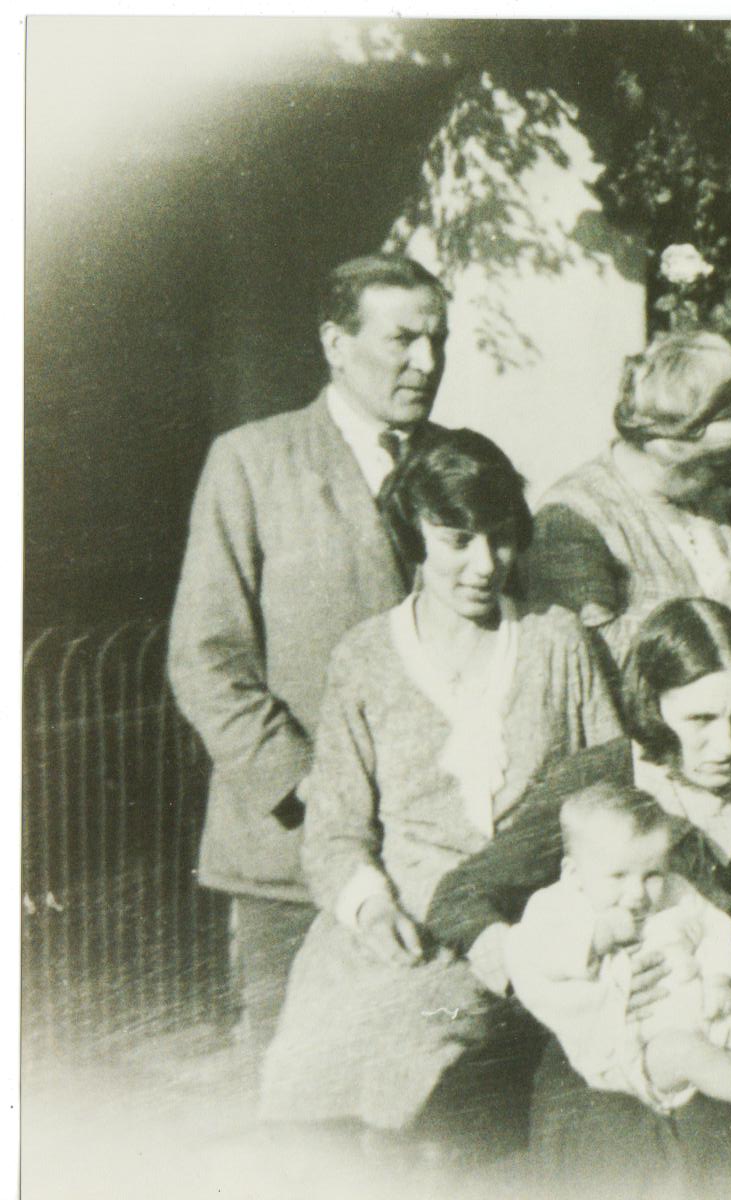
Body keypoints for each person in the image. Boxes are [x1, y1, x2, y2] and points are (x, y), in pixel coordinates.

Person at [427, 597, 731, 1200]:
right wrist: (548, 968)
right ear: (653, 708)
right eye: (700, 720)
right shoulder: (599, 785)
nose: (727, 743)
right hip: (612, 1064)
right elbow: (460, 894)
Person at [257, 428, 622, 1134]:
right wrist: (370, 908)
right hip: (395, 933)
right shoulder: (364, 659)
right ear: (413, 536)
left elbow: (610, 789)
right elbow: (334, 831)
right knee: (309, 1085)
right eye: (457, 539)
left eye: (502, 537)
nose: (484, 564)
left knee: (426, 1077)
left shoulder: (556, 641)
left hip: (516, 927)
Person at [168, 254, 449, 1053]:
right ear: (336, 342)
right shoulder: (252, 462)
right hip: (291, 860)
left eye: (438, 341)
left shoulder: (460, 462)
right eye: (403, 340)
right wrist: (316, 795)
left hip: (436, 848)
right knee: (300, 1102)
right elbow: (205, 658)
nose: (426, 363)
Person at [506, 782, 731, 1119]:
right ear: (573, 872)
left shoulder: (676, 891)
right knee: (687, 1053)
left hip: (706, 1016)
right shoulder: (557, 907)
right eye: (618, 875)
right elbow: (532, 953)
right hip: (636, 1051)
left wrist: (720, 978)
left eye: (652, 875)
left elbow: (715, 929)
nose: (637, 894)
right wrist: (597, 938)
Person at [523, 331, 731, 666]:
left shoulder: (697, 499)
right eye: (721, 462)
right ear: (669, 451)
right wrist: (716, 619)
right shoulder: (571, 517)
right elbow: (583, 656)